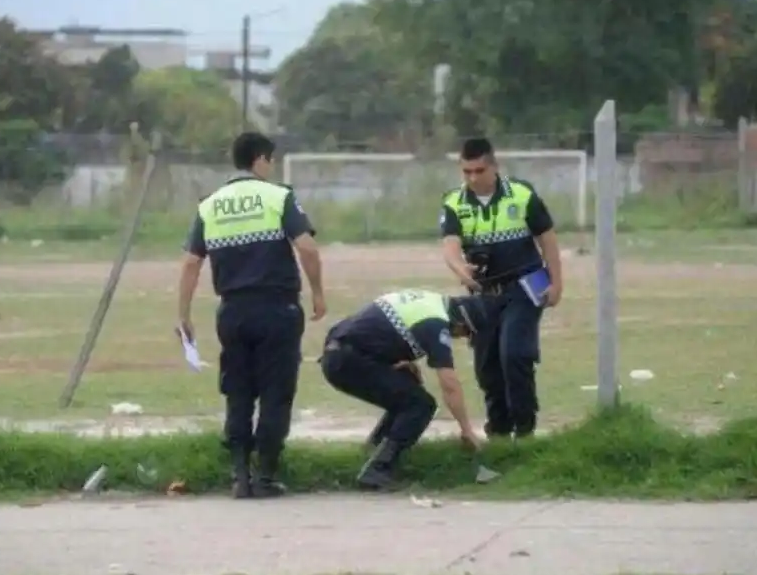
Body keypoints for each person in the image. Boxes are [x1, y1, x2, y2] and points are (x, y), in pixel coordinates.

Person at [178, 131, 326, 500]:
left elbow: (191, 263)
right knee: (276, 393)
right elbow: (306, 246)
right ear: (260, 159)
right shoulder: (278, 196)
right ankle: (266, 475)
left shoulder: (210, 205)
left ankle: (240, 476)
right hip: (277, 309)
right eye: (270, 159)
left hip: (233, 311)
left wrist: (184, 315)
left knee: (238, 392)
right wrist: (318, 291)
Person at [439, 137, 564, 439]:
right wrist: (460, 269)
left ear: (494, 166)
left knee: (515, 355)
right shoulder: (454, 202)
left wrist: (557, 282)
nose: (472, 178)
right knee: (488, 367)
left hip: (526, 284)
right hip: (484, 294)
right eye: (466, 171)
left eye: (479, 170)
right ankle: (499, 430)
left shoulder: (521, 193)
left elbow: (547, 238)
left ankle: (525, 430)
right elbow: (450, 247)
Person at [319, 289, 498, 491]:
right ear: (461, 323)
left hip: (338, 352)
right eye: (465, 334)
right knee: (421, 405)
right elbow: (449, 384)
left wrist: (394, 359)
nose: (460, 338)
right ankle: (378, 469)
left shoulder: (429, 301)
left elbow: (375, 328)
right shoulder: (436, 324)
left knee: (407, 388)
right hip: (348, 360)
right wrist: (466, 430)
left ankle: (374, 449)